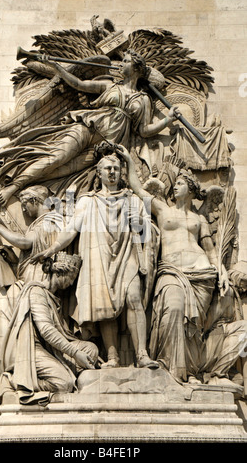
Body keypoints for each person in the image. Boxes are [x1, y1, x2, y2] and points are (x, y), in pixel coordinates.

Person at [0, 49, 179, 207]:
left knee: (63, 170)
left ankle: (28, 186)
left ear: (137, 68)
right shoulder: (109, 85)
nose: (121, 64)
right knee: (56, 157)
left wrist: (166, 121)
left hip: (105, 147)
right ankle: (12, 187)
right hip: (88, 127)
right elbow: (79, 84)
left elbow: (144, 130)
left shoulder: (144, 100)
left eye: (126, 62)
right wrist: (57, 68)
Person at [31, 148, 159, 369]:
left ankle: (142, 354)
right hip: (99, 256)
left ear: (122, 173)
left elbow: (150, 233)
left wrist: (138, 220)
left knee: (134, 298)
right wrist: (52, 249)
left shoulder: (135, 200)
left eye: (116, 169)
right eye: (107, 168)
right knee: (104, 307)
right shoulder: (87, 201)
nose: (112, 172)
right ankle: (113, 358)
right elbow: (71, 228)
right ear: (98, 173)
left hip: (127, 254)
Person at [116, 144, 230, 383]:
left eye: (179, 184)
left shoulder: (199, 219)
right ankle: (171, 369)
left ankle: (189, 370)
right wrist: (127, 160)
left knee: (193, 325)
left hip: (201, 274)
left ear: (190, 189)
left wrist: (222, 271)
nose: (174, 187)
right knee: (174, 309)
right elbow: (137, 188)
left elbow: (210, 250)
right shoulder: (162, 209)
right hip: (171, 271)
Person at [0, 252, 99, 405]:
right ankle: (14, 382)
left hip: (50, 349)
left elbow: (62, 333)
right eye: (71, 278)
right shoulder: (37, 292)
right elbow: (47, 330)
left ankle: (65, 370)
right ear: (60, 272)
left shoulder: (53, 297)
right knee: (63, 383)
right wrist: (75, 353)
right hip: (32, 349)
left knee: (91, 349)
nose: (71, 283)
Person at [0, 185, 63, 374]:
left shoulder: (50, 219)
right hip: (28, 283)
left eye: (25, 204)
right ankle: (5, 362)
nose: (24, 210)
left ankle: (5, 364)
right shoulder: (39, 223)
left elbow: (26, 243)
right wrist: (13, 259)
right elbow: (30, 251)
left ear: (35, 201)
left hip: (36, 286)